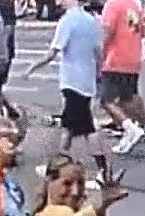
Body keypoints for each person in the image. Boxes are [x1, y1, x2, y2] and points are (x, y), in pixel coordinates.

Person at [25, 0, 110, 188]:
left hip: (72, 80)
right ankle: (55, 167)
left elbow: (54, 52)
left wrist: (33, 67)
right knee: (69, 126)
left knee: (87, 128)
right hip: (86, 80)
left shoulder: (67, 21)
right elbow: (98, 51)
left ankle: (103, 171)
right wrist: (97, 73)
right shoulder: (91, 20)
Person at [99, 0, 145, 155]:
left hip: (115, 58)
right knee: (127, 97)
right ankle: (143, 127)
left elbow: (107, 33)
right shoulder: (133, 5)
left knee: (106, 100)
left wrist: (100, 56)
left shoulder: (113, 5)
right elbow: (142, 31)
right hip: (132, 57)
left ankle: (130, 128)